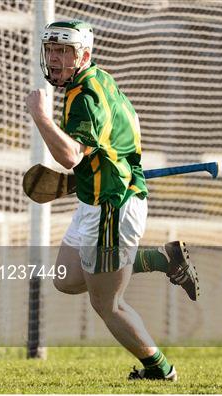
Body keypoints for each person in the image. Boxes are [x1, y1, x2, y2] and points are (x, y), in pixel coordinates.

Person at [25, 20, 199, 381]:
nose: (55, 59)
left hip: (112, 206)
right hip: (98, 200)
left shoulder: (85, 97)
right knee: (67, 277)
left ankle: (160, 371)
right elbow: (109, 150)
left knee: (107, 303)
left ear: (83, 54)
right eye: (52, 51)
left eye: (64, 51)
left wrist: (40, 116)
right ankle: (161, 259)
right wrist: (81, 181)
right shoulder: (95, 80)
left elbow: (72, 154)